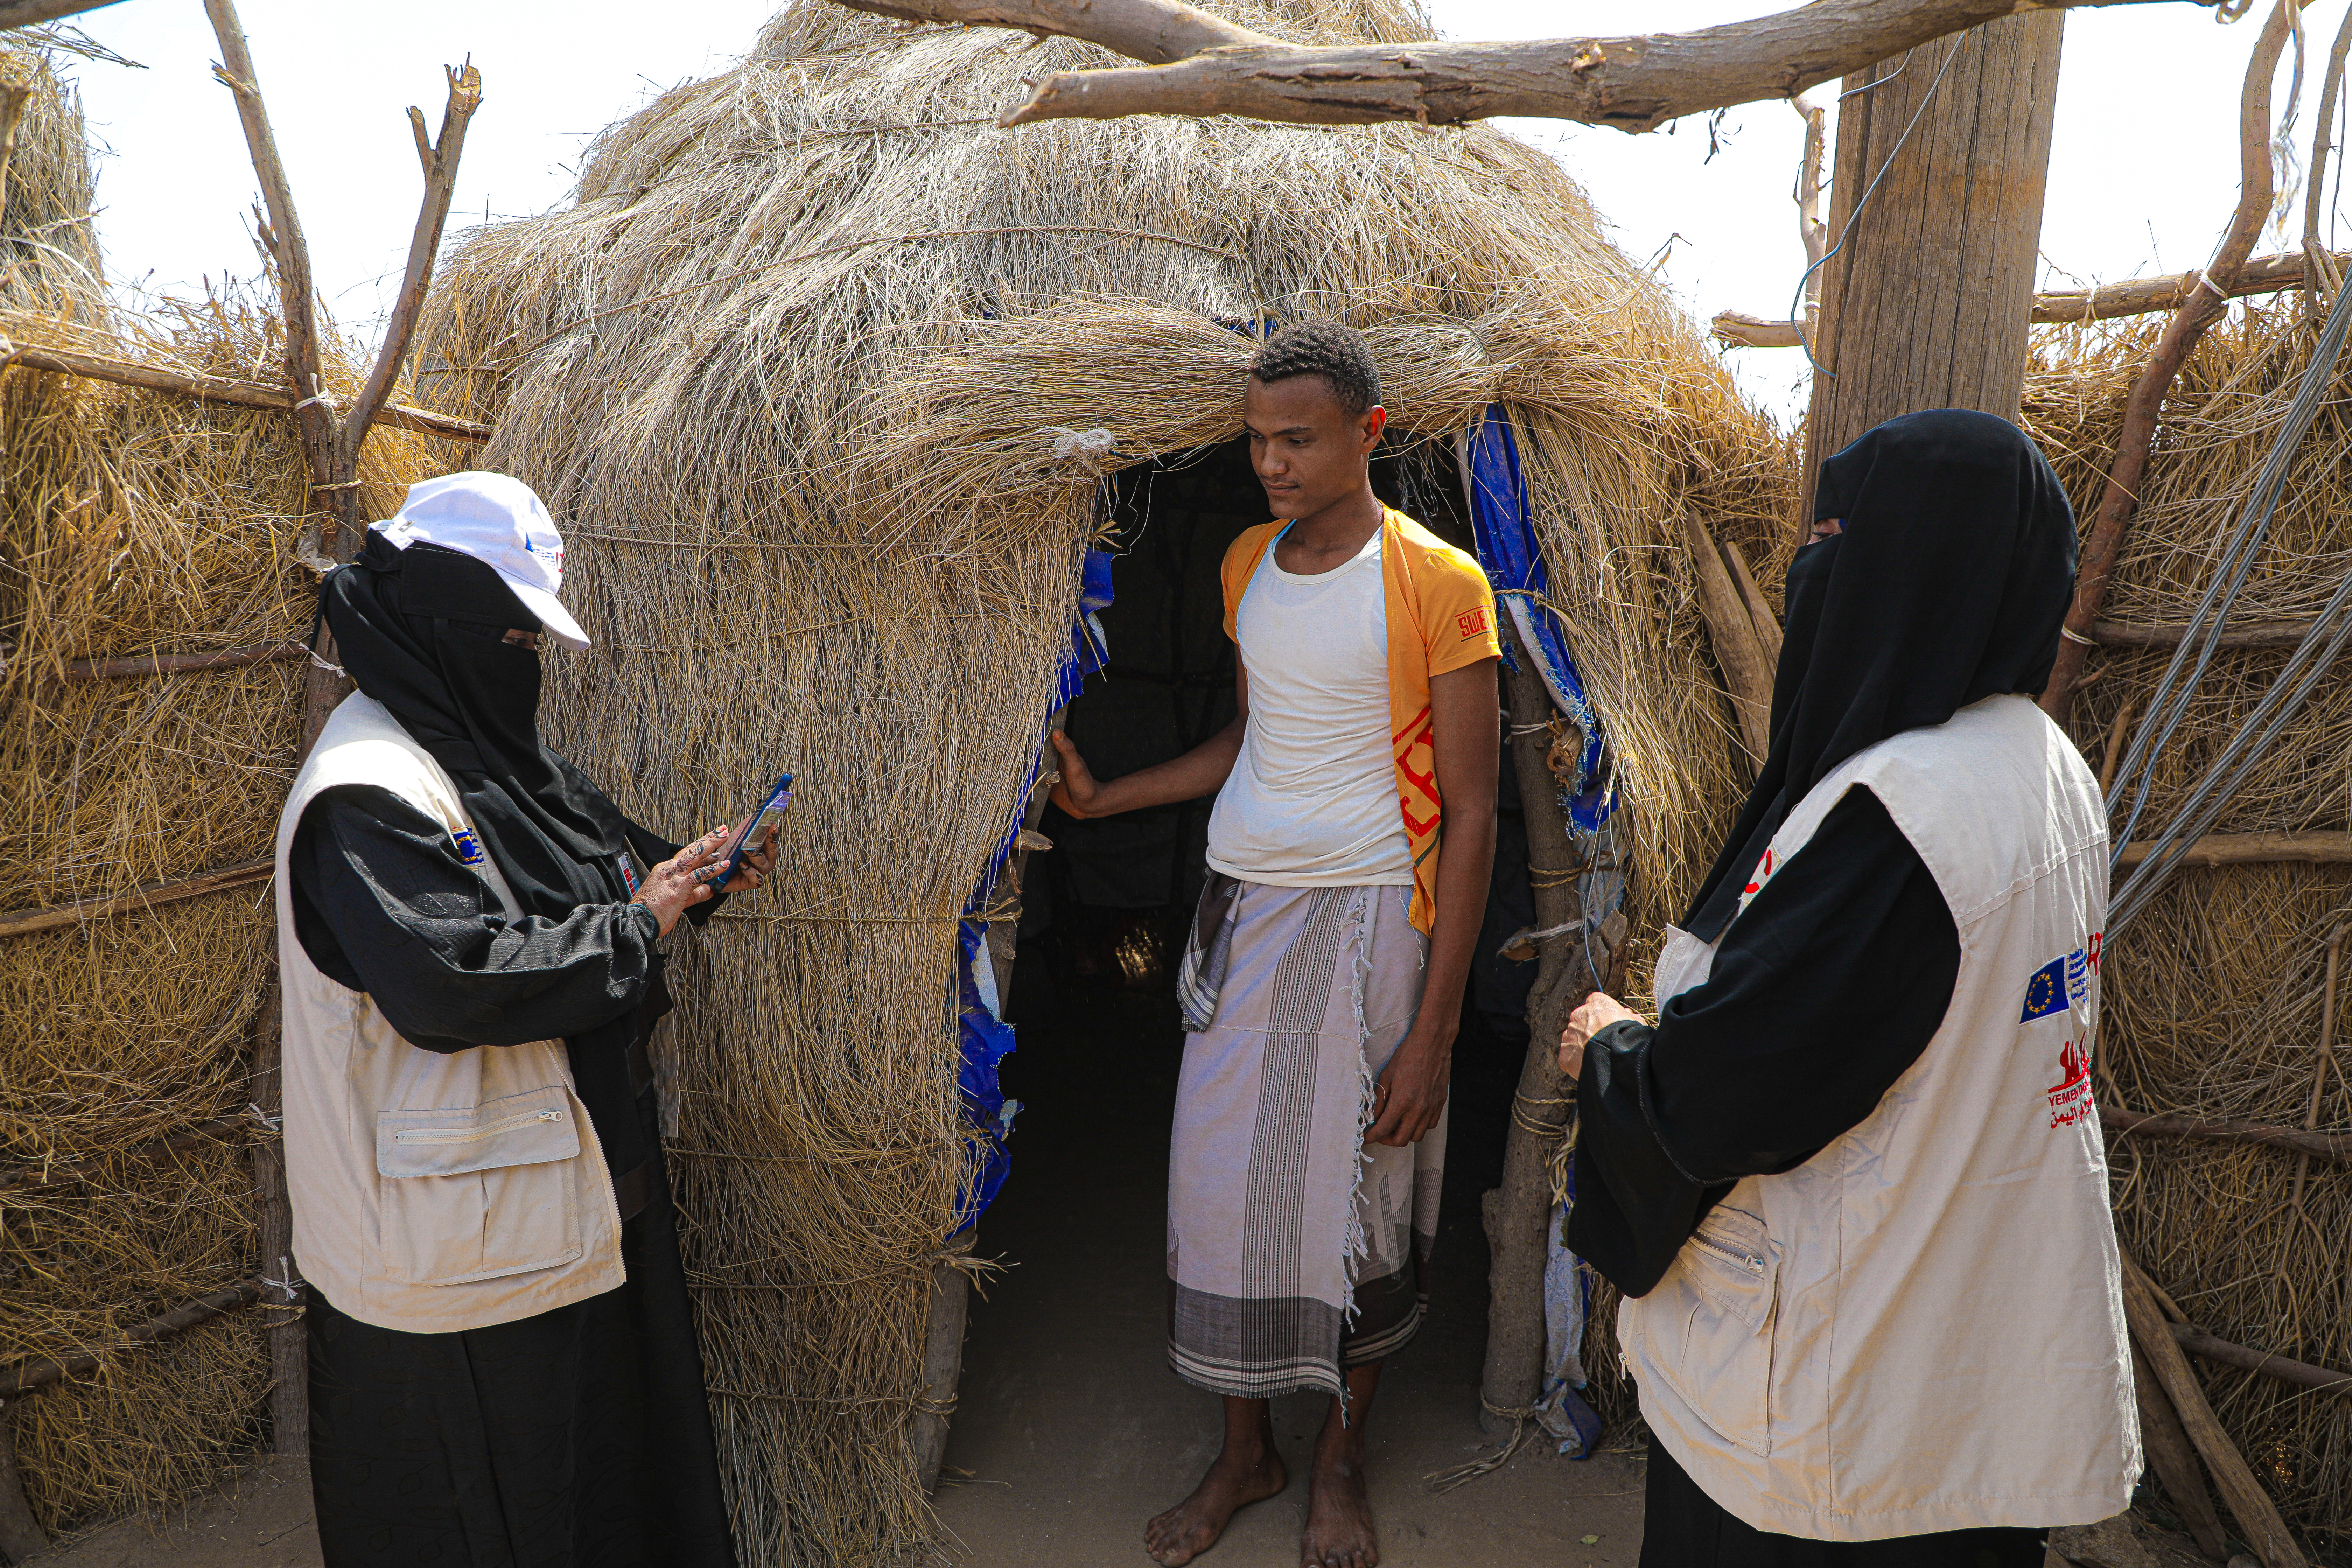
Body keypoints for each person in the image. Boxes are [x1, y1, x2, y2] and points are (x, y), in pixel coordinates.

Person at [1556, 411, 2138, 1567]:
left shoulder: (1901, 823)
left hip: (1826, 1413)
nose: (1810, 571)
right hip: (1964, 1365)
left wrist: (1614, 1049)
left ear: (1915, 567)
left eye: (1837, 538)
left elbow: (1728, 1096)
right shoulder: (2042, 768)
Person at [1049, 319, 1500, 1568]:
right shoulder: (1249, 563)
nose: (1272, 464)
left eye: (1298, 440)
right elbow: (1253, 743)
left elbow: (1472, 818)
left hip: (1371, 920)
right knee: (1219, 1186)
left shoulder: (1439, 586)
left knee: (1356, 1195)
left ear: (1371, 433)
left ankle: (1340, 1458)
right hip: (1245, 908)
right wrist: (1110, 800)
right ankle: (1246, 1450)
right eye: (1256, 443)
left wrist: (1438, 1030)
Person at [272, 472, 774, 1568]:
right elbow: (452, 982)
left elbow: (589, 866)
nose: (522, 661)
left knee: (594, 1498)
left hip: (558, 1219)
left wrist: (691, 879)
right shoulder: (368, 792)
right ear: (442, 623)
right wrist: (640, 927)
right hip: (452, 1276)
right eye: (508, 633)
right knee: (496, 1512)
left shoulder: (486, 758)